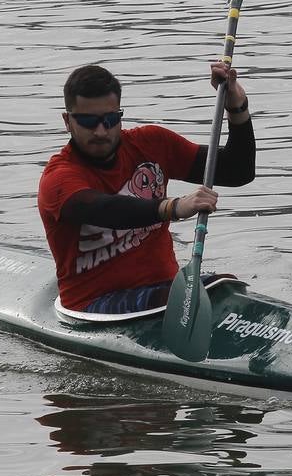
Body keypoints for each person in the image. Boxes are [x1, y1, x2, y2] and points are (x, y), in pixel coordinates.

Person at [38, 62, 255, 313]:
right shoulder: (59, 178)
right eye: (88, 121)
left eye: (110, 119)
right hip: (94, 303)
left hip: (165, 290)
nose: (100, 131)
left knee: (227, 287)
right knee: (205, 294)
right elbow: (106, 210)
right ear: (67, 121)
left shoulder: (152, 143)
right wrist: (172, 207)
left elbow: (238, 171)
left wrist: (237, 107)